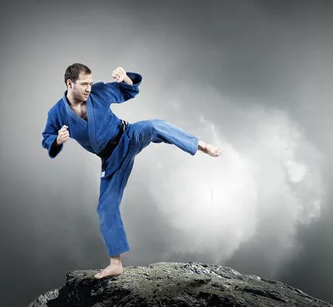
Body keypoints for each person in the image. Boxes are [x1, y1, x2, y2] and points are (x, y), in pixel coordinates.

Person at [41, 63, 221, 279]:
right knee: (105, 207)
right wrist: (57, 141)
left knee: (152, 126)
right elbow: (47, 137)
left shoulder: (98, 92)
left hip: (128, 135)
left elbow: (128, 91)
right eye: (84, 84)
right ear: (70, 83)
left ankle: (202, 146)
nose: (89, 88)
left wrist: (125, 78)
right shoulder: (57, 113)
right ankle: (115, 263)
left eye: (90, 83)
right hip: (111, 159)